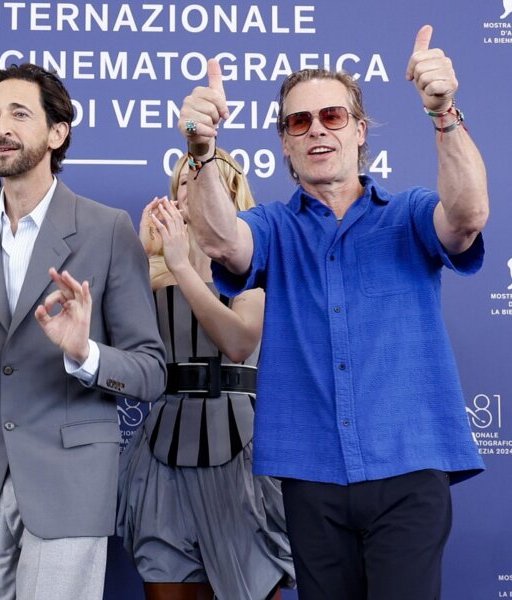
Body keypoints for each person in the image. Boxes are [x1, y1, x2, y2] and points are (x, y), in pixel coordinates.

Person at [179, 25, 488, 600]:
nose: (316, 129)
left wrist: (444, 113)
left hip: (409, 467)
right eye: (299, 122)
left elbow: (468, 216)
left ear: (359, 130)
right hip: (311, 473)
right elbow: (223, 243)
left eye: (332, 116)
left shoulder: (412, 212)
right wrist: (202, 153)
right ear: (285, 143)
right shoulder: (272, 225)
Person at [0, 63, 166, 600]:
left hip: (68, 482)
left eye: (18, 114)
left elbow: (150, 371)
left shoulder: (108, 229)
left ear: (57, 132)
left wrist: (85, 353)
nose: (0, 127)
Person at [118, 151, 293, 600]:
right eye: (183, 183)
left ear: (228, 196)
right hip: (163, 450)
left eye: (203, 183)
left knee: (250, 587)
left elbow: (239, 343)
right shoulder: (153, 273)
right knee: (163, 580)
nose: (190, 193)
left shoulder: (254, 266)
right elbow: (115, 349)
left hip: (240, 449)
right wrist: (142, 258)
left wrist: (182, 267)